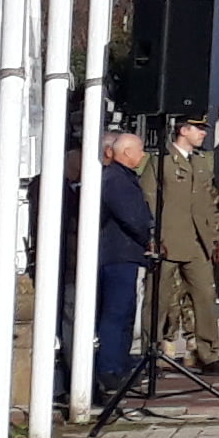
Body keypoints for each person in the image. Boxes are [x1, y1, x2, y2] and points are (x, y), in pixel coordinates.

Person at [151, 112, 219, 365]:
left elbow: (211, 204)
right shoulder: (160, 162)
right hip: (167, 241)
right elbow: (150, 201)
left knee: (205, 298)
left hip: (198, 242)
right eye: (198, 129)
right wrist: (152, 237)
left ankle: (208, 353)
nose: (203, 133)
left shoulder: (201, 162)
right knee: (158, 300)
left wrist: (218, 240)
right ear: (183, 131)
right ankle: (153, 351)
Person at [93, 129, 157, 396]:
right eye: (139, 150)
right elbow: (131, 215)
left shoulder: (123, 177)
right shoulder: (117, 179)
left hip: (125, 255)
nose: (143, 155)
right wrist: (148, 235)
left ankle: (119, 365)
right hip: (118, 255)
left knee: (125, 313)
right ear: (126, 153)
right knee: (116, 313)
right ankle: (109, 369)